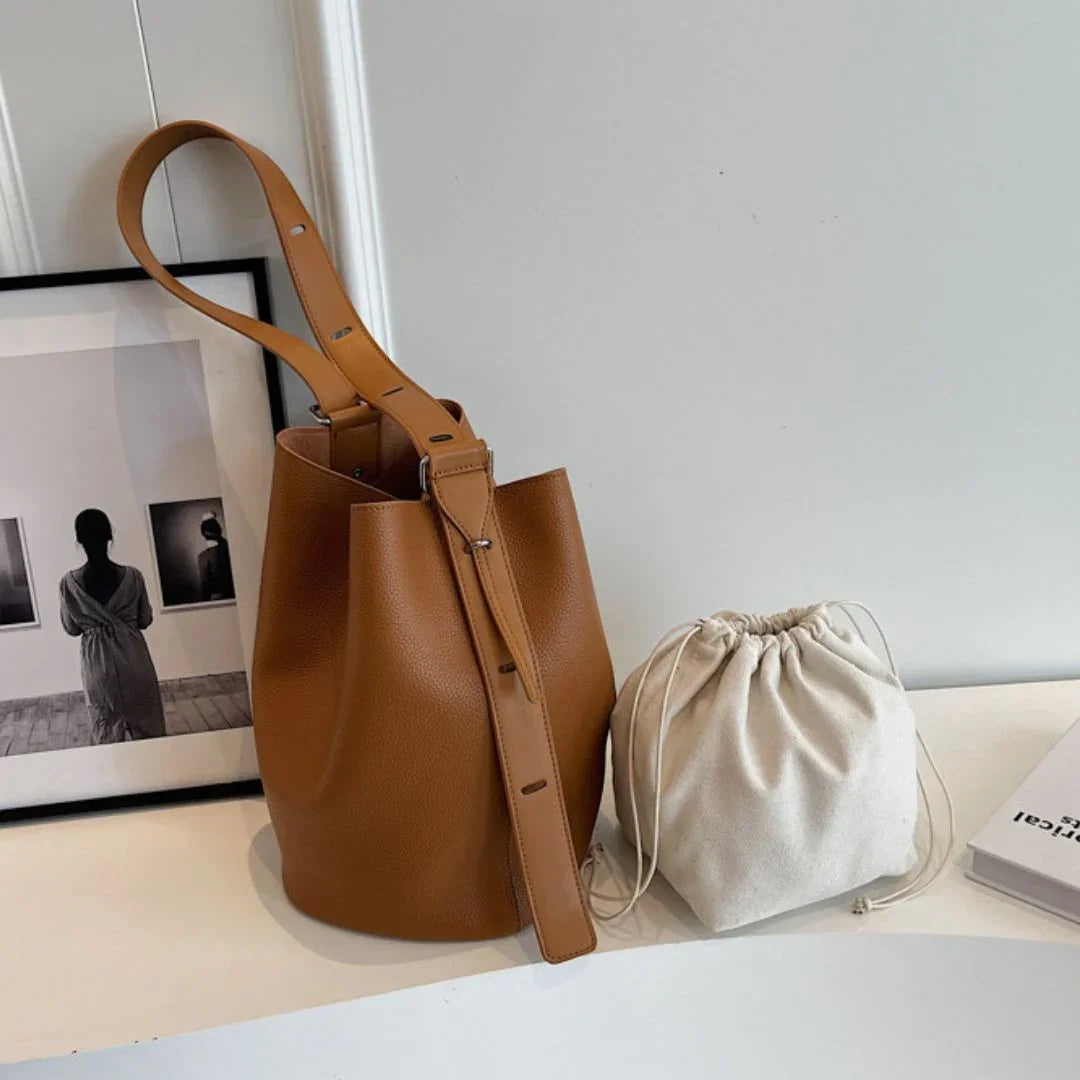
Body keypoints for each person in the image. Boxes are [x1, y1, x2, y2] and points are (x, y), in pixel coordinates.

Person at [59, 509, 166, 744]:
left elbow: (71, 628)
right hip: (134, 658)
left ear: (79, 540)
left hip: (98, 664)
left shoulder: (69, 583)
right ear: (110, 536)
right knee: (149, 730)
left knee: (106, 729)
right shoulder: (133, 576)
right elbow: (145, 620)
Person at [197, 511, 234, 603]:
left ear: (204, 533)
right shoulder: (229, 549)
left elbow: (205, 586)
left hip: (216, 599)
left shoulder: (203, 557)